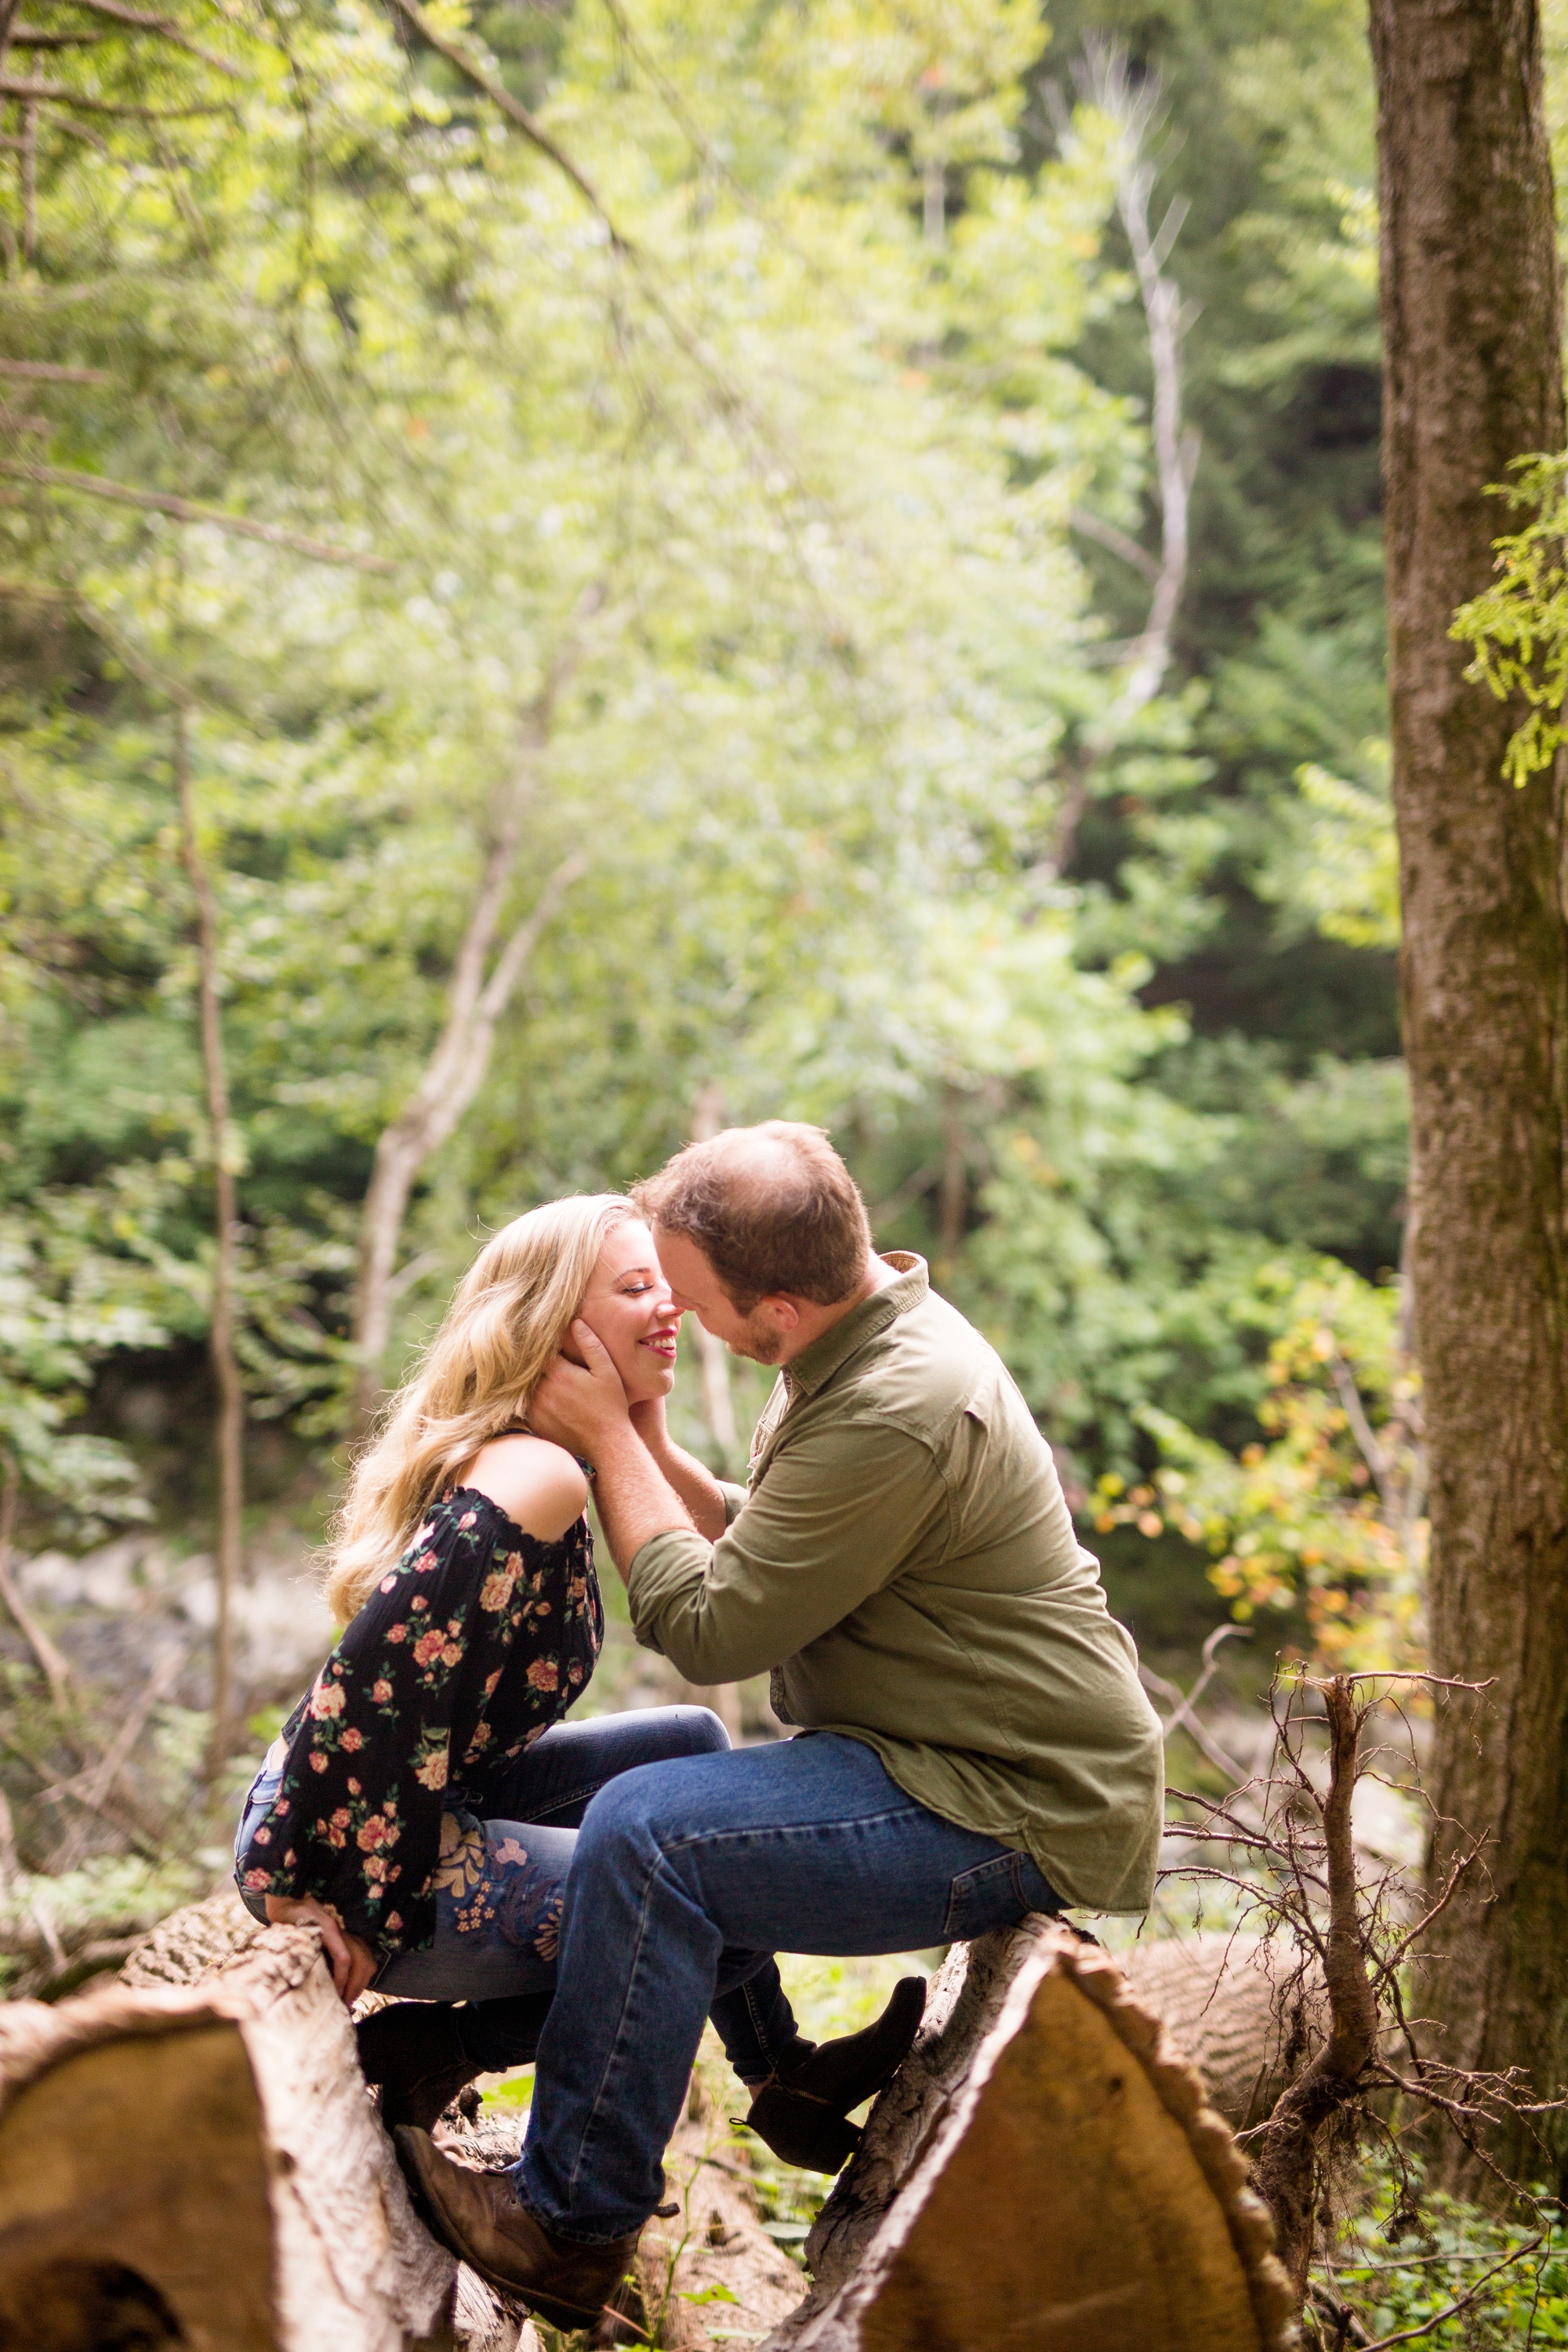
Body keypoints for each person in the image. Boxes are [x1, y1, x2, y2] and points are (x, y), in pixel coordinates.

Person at [397, 1122, 1166, 2328]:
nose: (682, 1322)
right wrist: (650, 1442)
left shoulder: (898, 1403)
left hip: (1013, 1802)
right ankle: (787, 2075)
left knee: (653, 1836)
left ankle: (567, 2227)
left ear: (784, 1304)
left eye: (694, 1301)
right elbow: (789, 1532)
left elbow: (713, 1630)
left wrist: (604, 1441)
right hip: (945, 1754)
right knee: (692, 1771)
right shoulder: (866, 1340)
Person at [232, 1192, 920, 2161]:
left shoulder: (559, 1457)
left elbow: (729, 1555)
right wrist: (296, 1882)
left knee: (689, 1745)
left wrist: (626, 1426)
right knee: (709, 1888)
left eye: (667, 1287)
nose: (670, 1308)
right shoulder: (533, 1478)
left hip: (413, 1802)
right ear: (557, 1327)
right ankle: (435, 2047)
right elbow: (367, 1681)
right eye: (636, 1289)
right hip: (361, 1858)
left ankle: (781, 2071)